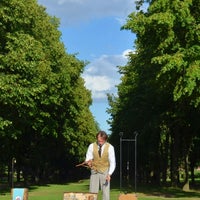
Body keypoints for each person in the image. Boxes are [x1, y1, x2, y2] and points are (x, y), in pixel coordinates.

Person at [85, 131, 116, 200]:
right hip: (94, 171)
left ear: (105, 140)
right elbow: (88, 158)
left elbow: (113, 163)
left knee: (105, 193)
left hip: (105, 171)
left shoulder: (110, 147)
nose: (100, 142)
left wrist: (109, 174)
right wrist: (88, 162)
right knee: (92, 193)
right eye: (99, 141)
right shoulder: (91, 146)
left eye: (102, 141)